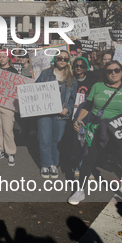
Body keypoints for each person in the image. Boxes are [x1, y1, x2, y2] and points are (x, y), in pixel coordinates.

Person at [69, 61, 122, 217]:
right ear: (105, 73)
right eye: (109, 71)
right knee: (88, 159)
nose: (113, 73)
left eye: (117, 70)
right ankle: (79, 191)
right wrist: (78, 120)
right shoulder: (97, 87)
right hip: (98, 129)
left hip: (120, 132)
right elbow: (87, 105)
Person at [35, 50, 77, 178]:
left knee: (57, 140)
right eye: (60, 58)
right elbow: (35, 90)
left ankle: (54, 163)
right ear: (55, 59)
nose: (62, 60)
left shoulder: (71, 78)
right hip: (45, 112)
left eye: (65, 58)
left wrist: (67, 109)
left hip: (61, 113)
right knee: (44, 138)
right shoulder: (45, 74)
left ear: (68, 61)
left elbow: (72, 99)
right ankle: (45, 164)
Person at [70, 56, 98, 177]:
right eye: (76, 66)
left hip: (84, 115)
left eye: (82, 66)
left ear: (86, 67)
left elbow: (101, 70)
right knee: (73, 141)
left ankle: (83, 166)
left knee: (83, 139)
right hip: (70, 114)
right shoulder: (70, 79)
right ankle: (75, 163)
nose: (79, 68)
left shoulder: (92, 80)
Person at [0, 51, 18, 166]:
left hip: (8, 105)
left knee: (8, 129)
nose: (1, 59)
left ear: (8, 58)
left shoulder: (13, 71)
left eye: (4, 57)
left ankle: (10, 153)